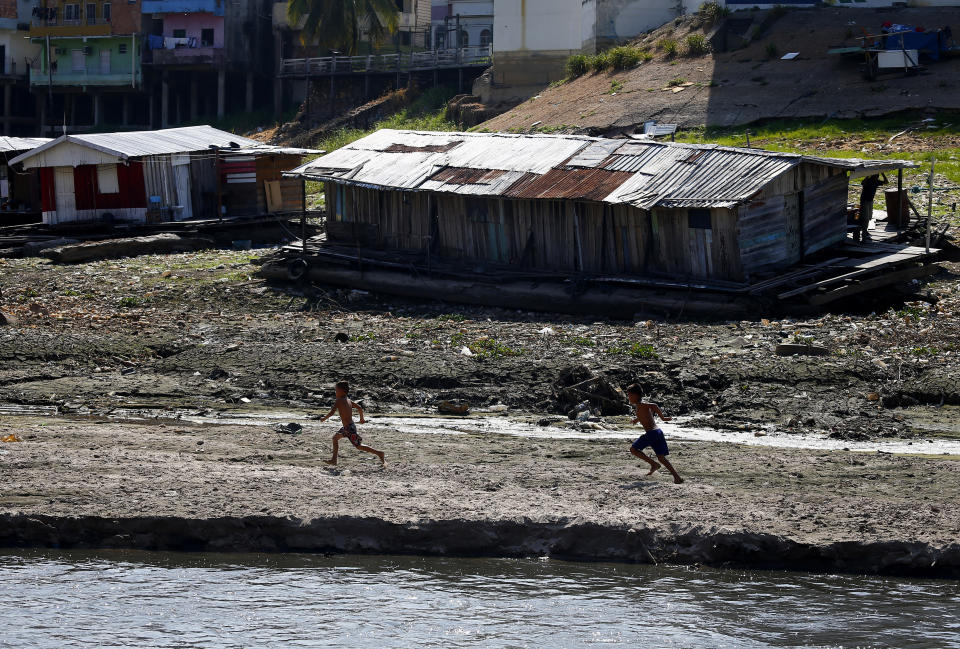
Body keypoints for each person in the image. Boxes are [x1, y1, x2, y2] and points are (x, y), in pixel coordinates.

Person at [625, 384, 683, 484]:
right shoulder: (640, 406)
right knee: (661, 458)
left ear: (636, 395)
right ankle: (677, 477)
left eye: (629, 395)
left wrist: (663, 418)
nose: (628, 397)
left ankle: (653, 464)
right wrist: (636, 420)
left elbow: (654, 406)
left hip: (652, 433)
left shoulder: (642, 404)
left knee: (633, 449)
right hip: (658, 432)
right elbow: (647, 414)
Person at [320, 380, 385, 467]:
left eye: (336, 390)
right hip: (349, 427)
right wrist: (362, 419)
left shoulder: (339, 400)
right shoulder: (348, 400)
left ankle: (379, 453)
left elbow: (332, 412)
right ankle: (334, 460)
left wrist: (324, 418)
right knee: (335, 438)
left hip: (348, 428)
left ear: (342, 391)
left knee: (358, 446)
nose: (335, 392)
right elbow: (359, 408)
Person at [858, 174, 887, 242]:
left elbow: (886, 182)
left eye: (877, 176)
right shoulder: (868, 181)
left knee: (869, 217)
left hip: (870, 201)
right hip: (864, 201)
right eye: (876, 176)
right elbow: (862, 183)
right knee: (865, 218)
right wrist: (867, 175)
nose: (876, 177)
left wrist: (883, 174)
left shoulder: (876, 181)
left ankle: (865, 231)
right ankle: (864, 236)